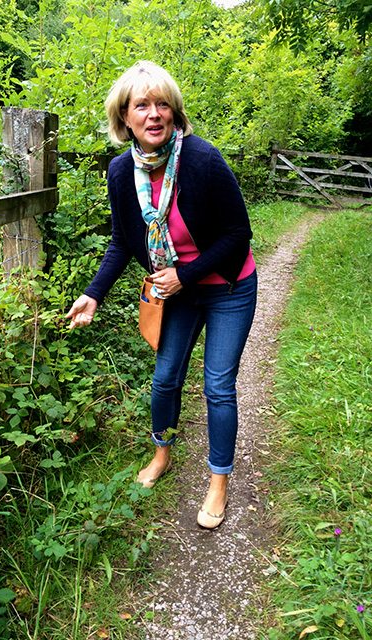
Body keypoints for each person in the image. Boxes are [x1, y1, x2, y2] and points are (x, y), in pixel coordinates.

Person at [66, 61, 257, 530]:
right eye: (142, 106)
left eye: (162, 104)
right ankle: (161, 454)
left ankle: (218, 481)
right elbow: (122, 241)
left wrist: (185, 275)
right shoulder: (120, 172)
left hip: (228, 285)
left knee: (218, 386)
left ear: (174, 112)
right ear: (124, 117)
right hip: (178, 291)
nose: (154, 114)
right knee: (165, 378)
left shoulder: (202, 159)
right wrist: (94, 294)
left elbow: (238, 234)